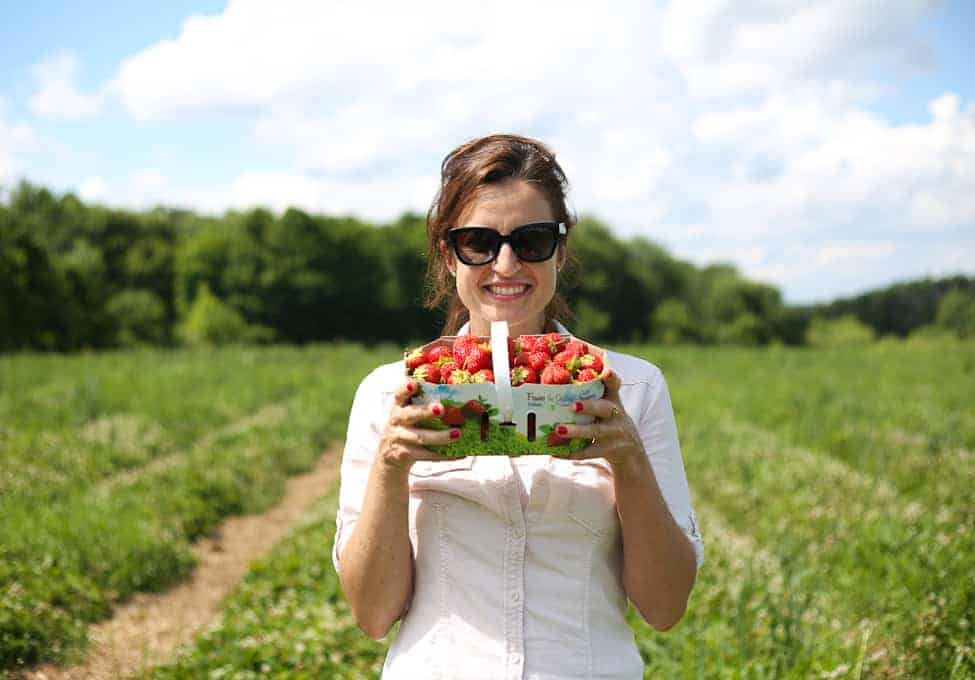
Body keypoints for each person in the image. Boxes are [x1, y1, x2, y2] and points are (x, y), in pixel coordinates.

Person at [332, 134, 703, 679]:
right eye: (479, 242)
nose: (505, 264)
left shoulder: (632, 387)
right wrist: (392, 465)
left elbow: (665, 607)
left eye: (530, 240)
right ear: (448, 251)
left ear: (560, 248)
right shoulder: (390, 393)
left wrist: (629, 462)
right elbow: (371, 614)